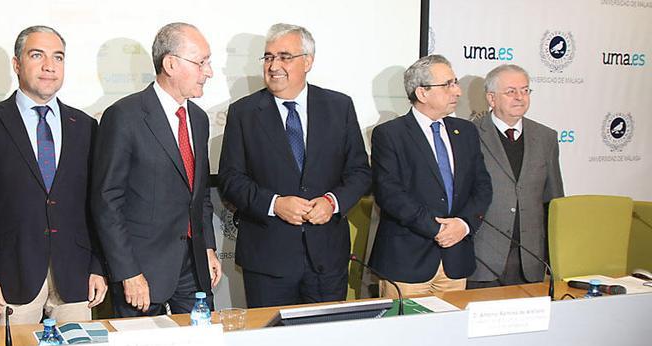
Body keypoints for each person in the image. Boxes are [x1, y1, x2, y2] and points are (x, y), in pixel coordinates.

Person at [0, 26, 106, 325]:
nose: (49, 66)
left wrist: (98, 266)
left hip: (75, 278)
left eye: (58, 57)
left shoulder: (85, 126)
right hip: (10, 278)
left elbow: (98, 205)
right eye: (37, 55)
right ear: (16, 64)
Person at [218, 23, 372, 308]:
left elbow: (360, 172)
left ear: (308, 62)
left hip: (326, 260)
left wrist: (332, 201)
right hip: (268, 262)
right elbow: (230, 179)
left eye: (284, 56)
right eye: (268, 57)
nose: (274, 65)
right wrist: (274, 203)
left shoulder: (339, 107)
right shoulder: (243, 113)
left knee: (326, 343)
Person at [92, 22, 221, 317]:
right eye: (201, 62)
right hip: (141, 273)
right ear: (171, 64)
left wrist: (209, 247)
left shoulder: (198, 119)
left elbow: (198, 194)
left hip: (194, 267)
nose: (209, 72)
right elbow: (107, 202)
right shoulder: (124, 116)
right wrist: (128, 272)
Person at [368, 54, 492, 297]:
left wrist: (464, 225)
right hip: (407, 261)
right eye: (448, 84)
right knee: (406, 334)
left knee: (450, 334)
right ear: (422, 93)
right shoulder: (390, 134)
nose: (457, 91)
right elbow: (390, 193)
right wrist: (437, 230)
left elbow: (482, 186)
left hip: (456, 259)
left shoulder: (465, 132)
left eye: (455, 82)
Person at [469, 64, 564, 288]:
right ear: (491, 98)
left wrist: (555, 258)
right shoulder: (468, 134)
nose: (520, 97)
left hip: (530, 259)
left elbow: (553, 199)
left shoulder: (546, 137)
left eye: (525, 90)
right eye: (511, 91)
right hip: (482, 259)